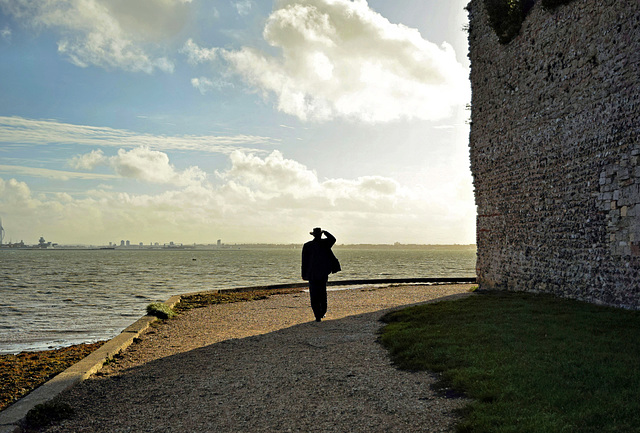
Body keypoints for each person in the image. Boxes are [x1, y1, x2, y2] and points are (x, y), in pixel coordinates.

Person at [301, 228, 340, 322]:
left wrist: (304, 274)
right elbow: (333, 239)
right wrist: (325, 232)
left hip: (312, 273)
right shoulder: (325, 243)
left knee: (314, 295)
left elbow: (304, 261)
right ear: (320, 235)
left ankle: (317, 315)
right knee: (322, 294)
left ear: (313, 235)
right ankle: (321, 313)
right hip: (322, 272)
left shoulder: (308, 245)